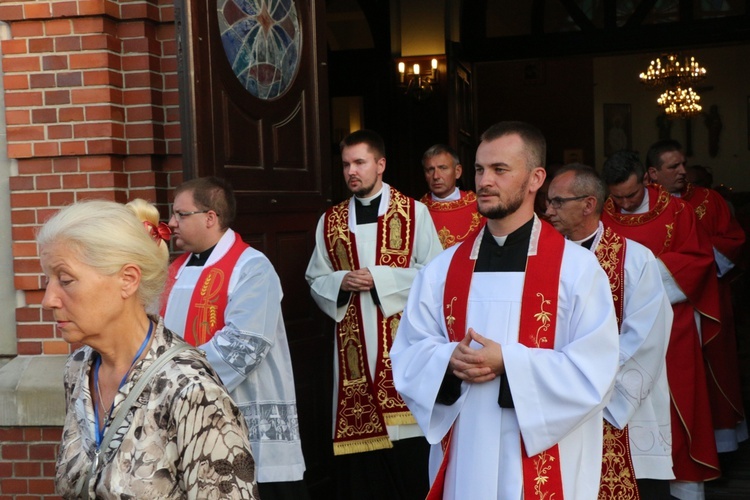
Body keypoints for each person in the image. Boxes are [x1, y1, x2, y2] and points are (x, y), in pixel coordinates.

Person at [391, 121, 620, 499]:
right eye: (480, 169)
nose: (485, 181)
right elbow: (410, 352)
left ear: (535, 179)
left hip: (542, 453)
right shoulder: (442, 270)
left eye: (500, 170)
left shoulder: (575, 269)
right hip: (466, 450)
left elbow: (596, 368)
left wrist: (508, 363)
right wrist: (448, 360)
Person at [41, 199, 258, 499]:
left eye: (65, 280)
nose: (48, 299)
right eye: (47, 280)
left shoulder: (191, 389)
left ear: (127, 280)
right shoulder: (79, 368)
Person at [305, 129, 443, 499]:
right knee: (363, 476)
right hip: (352, 354)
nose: (352, 171)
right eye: (347, 164)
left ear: (380, 165)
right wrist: (339, 281)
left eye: (360, 162)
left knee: (408, 462)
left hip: (403, 350)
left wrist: (381, 278)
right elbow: (314, 277)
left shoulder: (414, 213)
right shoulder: (330, 221)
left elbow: (437, 276)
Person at [161, 176, 308, 500]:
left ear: (210, 217)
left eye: (180, 215)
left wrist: (170, 375)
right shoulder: (174, 270)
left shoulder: (252, 267)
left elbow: (245, 345)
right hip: (186, 411)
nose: (171, 223)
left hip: (242, 411)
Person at [545, 164, 674, 497]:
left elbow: (647, 337)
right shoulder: (542, 261)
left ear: (589, 204)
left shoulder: (635, 260)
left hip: (620, 411)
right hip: (559, 404)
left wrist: (593, 389)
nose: (548, 210)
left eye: (558, 202)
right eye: (548, 201)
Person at [601, 150, 721, 500]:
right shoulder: (602, 215)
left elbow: (698, 261)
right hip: (618, 329)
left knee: (677, 404)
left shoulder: (679, 212)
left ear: (647, 180)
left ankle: (684, 488)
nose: (623, 203)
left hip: (674, 328)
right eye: (617, 196)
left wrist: (644, 281)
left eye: (631, 194)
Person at [647, 139, 747, 455]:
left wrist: (697, 265)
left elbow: (732, 241)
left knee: (716, 368)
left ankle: (721, 444)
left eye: (683, 164)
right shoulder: (644, 205)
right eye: (672, 166)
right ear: (653, 172)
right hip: (666, 308)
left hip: (710, 302)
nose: (682, 171)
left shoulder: (709, 200)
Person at [419, 144, 483, 248]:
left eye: (443, 168)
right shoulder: (417, 210)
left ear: (457, 172)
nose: (436, 176)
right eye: (430, 170)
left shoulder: (479, 206)